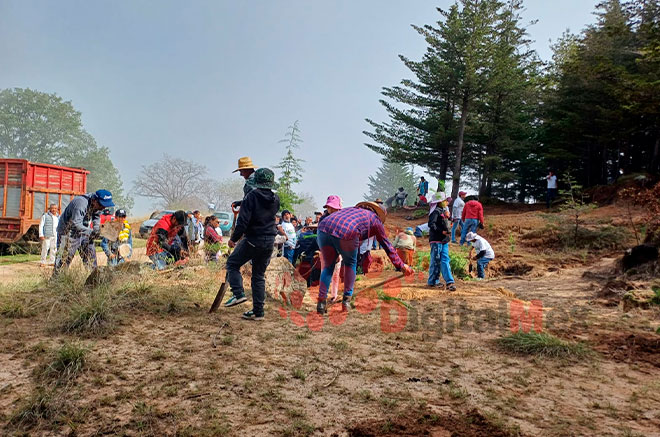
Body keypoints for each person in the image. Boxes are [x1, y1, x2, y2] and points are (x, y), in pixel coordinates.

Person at [316, 201, 414, 314]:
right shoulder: (375, 220)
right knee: (350, 264)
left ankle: (321, 304)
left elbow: (334, 229)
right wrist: (401, 266)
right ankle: (346, 302)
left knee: (328, 267)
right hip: (347, 232)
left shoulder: (350, 209)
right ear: (378, 214)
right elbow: (387, 245)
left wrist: (335, 252)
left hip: (322, 229)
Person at [223, 168, 280, 321]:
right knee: (258, 275)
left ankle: (238, 293)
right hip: (269, 241)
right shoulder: (276, 198)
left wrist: (233, 239)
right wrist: (243, 202)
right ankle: (258, 312)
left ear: (256, 181)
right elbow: (262, 205)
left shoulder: (251, 196)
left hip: (253, 239)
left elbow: (242, 223)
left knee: (232, 264)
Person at [53, 190, 114, 276]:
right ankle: (56, 281)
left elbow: (96, 217)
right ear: (94, 200)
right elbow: (76, 224)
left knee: (90, 257)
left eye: (105, 206)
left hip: (84, 231)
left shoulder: (98, 205)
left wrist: (97, 229)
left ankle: (93, 281)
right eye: (101, 205)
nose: (103, 208)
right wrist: (92, 232)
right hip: (68, 232)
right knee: (64, 259)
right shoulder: (80, 203)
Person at [428, 195, 455, 291]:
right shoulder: (435, 212)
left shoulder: (444, 211)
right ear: (439, 202)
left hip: (444, 240)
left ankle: (449, 282)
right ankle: (433, 281)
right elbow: (431, 224)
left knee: (445, 259)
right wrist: (441, 231)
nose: (447, 202)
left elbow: (448, 224)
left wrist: (449, 218)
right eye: (445, 200)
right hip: (436, 239)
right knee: (436, 260)